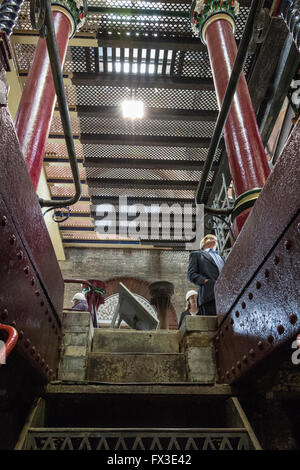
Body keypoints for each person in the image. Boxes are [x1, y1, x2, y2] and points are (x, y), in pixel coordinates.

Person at [186, 234, 225, 316]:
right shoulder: (196, 254)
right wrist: (206, 281)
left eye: (214, 238)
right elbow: (191, 274)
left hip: (225, 297)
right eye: (209, 238)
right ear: (203, 244)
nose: (213, 239)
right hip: (209, 296)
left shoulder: (221, 258)